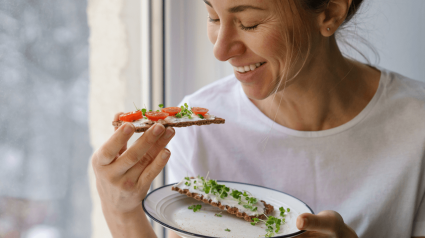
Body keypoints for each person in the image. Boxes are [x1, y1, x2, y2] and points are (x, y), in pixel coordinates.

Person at [91, 0, 425, 237]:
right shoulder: (200, 132)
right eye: (213, 16)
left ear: (330, 12)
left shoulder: (417, 125)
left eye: (249, 23)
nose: (220, 51)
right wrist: (121, 212)